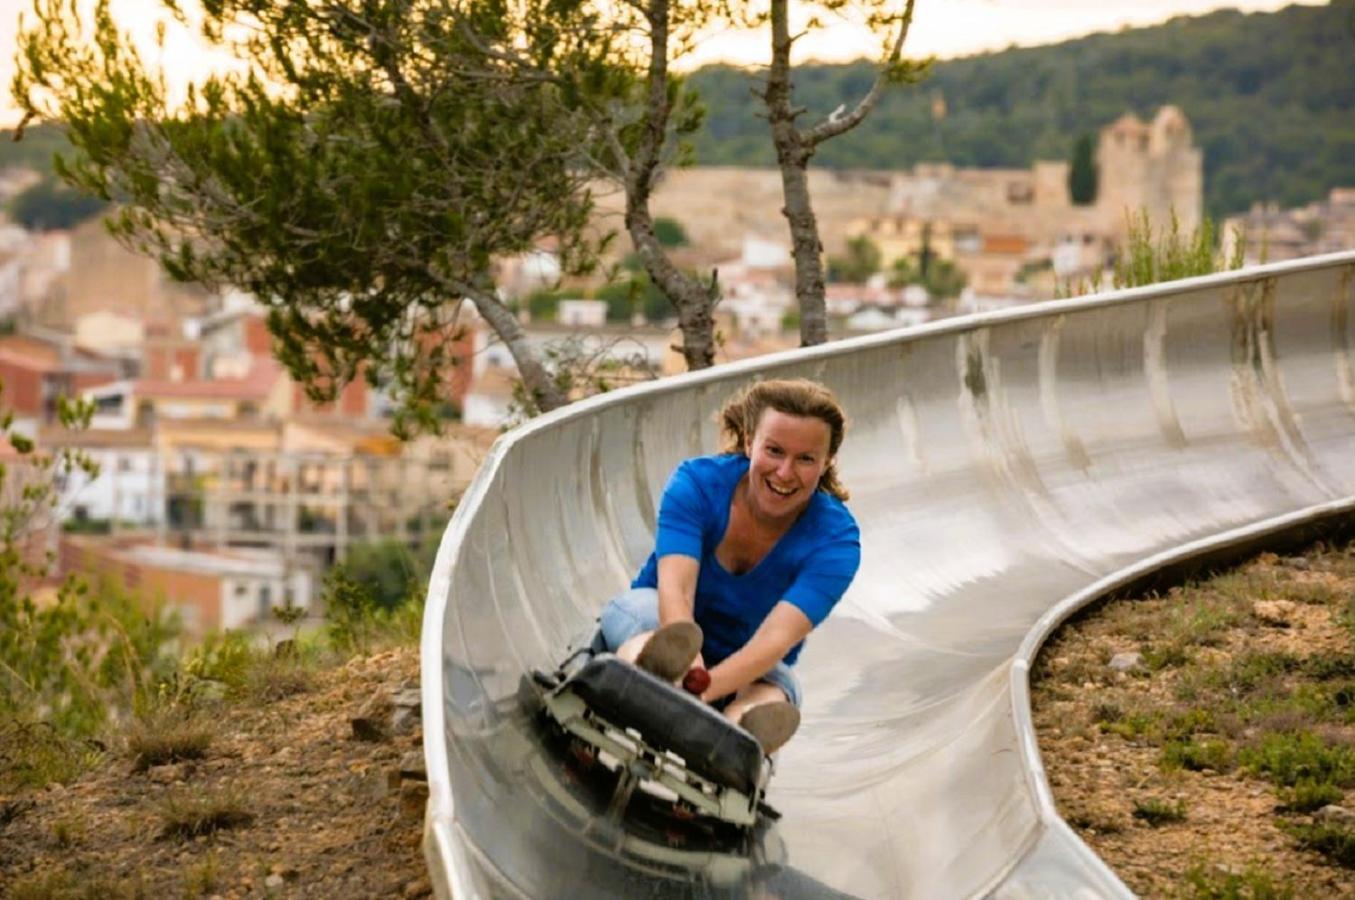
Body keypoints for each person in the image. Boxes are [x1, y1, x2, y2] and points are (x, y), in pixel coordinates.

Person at [597, 378, 861, 755]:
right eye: (774, 451)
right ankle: (645, 672)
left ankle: (738, 732)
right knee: (651, 626)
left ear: (826, 462)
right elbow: (677, 591)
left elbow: (776, 639)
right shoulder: (698, 483)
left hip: (750, 662)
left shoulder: (836, 541)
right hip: (659, 616)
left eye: (805, 459)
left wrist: (701, 689)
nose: (785, 472)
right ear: (750, 440)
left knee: (779, 689)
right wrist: (688, 667)